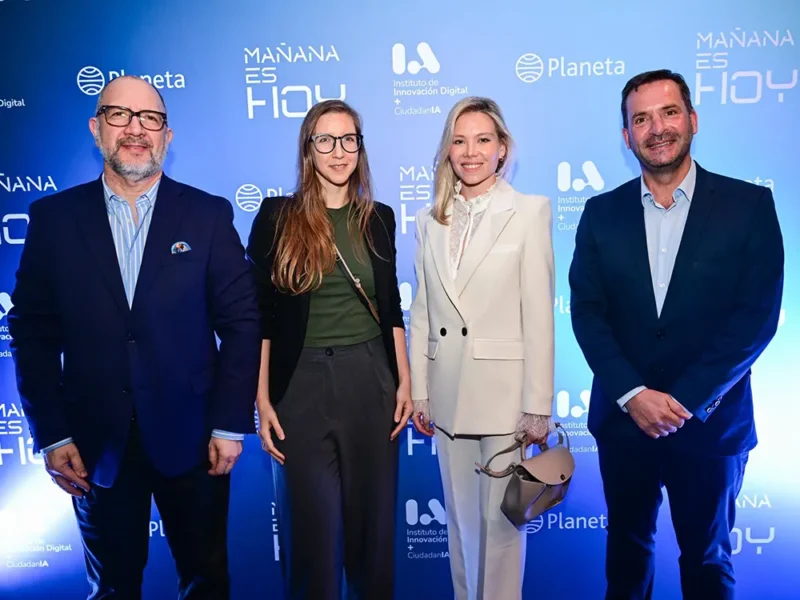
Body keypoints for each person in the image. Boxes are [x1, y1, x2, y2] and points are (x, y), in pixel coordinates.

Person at [8, 76, 261, 599]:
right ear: (96, 128)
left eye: (150, 118)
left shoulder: (208, 215)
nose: (136, 129)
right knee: (113, 589)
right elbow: (30, 333)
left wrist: (230, 424)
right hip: (94, 445)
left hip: (194, 440)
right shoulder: (54, 219)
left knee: (206, 582)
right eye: (120, 115)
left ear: (167, 135)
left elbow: (241, 323)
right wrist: (53, 435)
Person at [569, 69, 784, 600]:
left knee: (708, 561)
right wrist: (634, 394)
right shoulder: (600, 214)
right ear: (626, 136)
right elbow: (588, 313)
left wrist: (685, 400)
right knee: (627, 556)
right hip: (625, 422)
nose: (656, 128)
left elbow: (756, 316)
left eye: (668, 113)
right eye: (640, 119)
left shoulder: (749, 207)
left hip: (711, 425)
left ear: (692, 119)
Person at [246, 99, 412, 600]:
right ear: (308, 149)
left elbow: (392, 310)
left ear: (360, 148)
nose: (338, 152)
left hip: (372, 380)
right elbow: (260, 316)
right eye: (326, 140)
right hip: (301, 386)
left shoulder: (379, 218)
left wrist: (404, 379)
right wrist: (262, 398)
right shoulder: (279, 216)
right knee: (311, 539)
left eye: (348, 140)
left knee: (373, 537)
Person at [408, 96, 556, 600]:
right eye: (459, 140)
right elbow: (423, 311)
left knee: (502, 533)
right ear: (448, 150)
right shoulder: (429, 221)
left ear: (502, 149)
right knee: (460, 532)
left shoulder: (530, 211)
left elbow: (539, 312)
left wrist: (538, 404)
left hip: (504, 402)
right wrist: (422, 393)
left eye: (483, 140)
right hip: (447, 399)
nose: (470, 152)